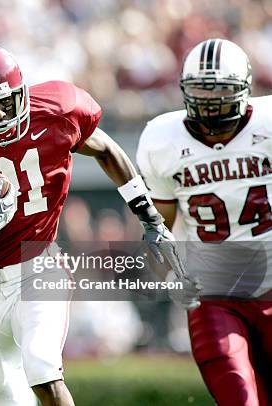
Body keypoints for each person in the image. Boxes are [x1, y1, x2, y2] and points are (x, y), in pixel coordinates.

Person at [0, 44, 192, 406]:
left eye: (6, 101)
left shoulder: (55, 110)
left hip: (37, 266)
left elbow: (106, 149)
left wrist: (149, 216)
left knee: (43, 372)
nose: (0, 114)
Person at [137, 38, 272, 406]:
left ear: (245, 89)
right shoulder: (162, 138)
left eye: (221, 92)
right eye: (201, 91)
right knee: (239, 398)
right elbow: (157, 227)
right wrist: (169, 276)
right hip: (214, 293)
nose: (210, 103)